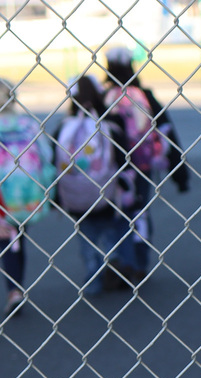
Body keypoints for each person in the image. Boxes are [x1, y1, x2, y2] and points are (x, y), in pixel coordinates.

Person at [103, 46, 189, 283]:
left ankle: (122, 259)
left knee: (116, 214)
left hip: (110, 169)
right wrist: (180, 174)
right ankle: (139, 262)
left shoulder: (104, 98)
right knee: (140, 212)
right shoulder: (145, 97)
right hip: (142, 166)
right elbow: (167, 133)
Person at [54, 74, 136, 297]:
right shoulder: (110, 122)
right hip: (106, 192)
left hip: (76, 197)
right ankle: (113, 266)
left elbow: (56, 163)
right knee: (109, 232)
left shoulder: (63, 127)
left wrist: (57, 196)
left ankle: (93, 277)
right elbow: (124, 159)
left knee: (87, 237)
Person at [0, 77, 54, 316]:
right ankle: (15, 288)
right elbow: (47, 153)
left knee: (7, 238)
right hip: (26, 196)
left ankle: (14, 289)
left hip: (2, 195)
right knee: (15, 239)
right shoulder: (28, 125)